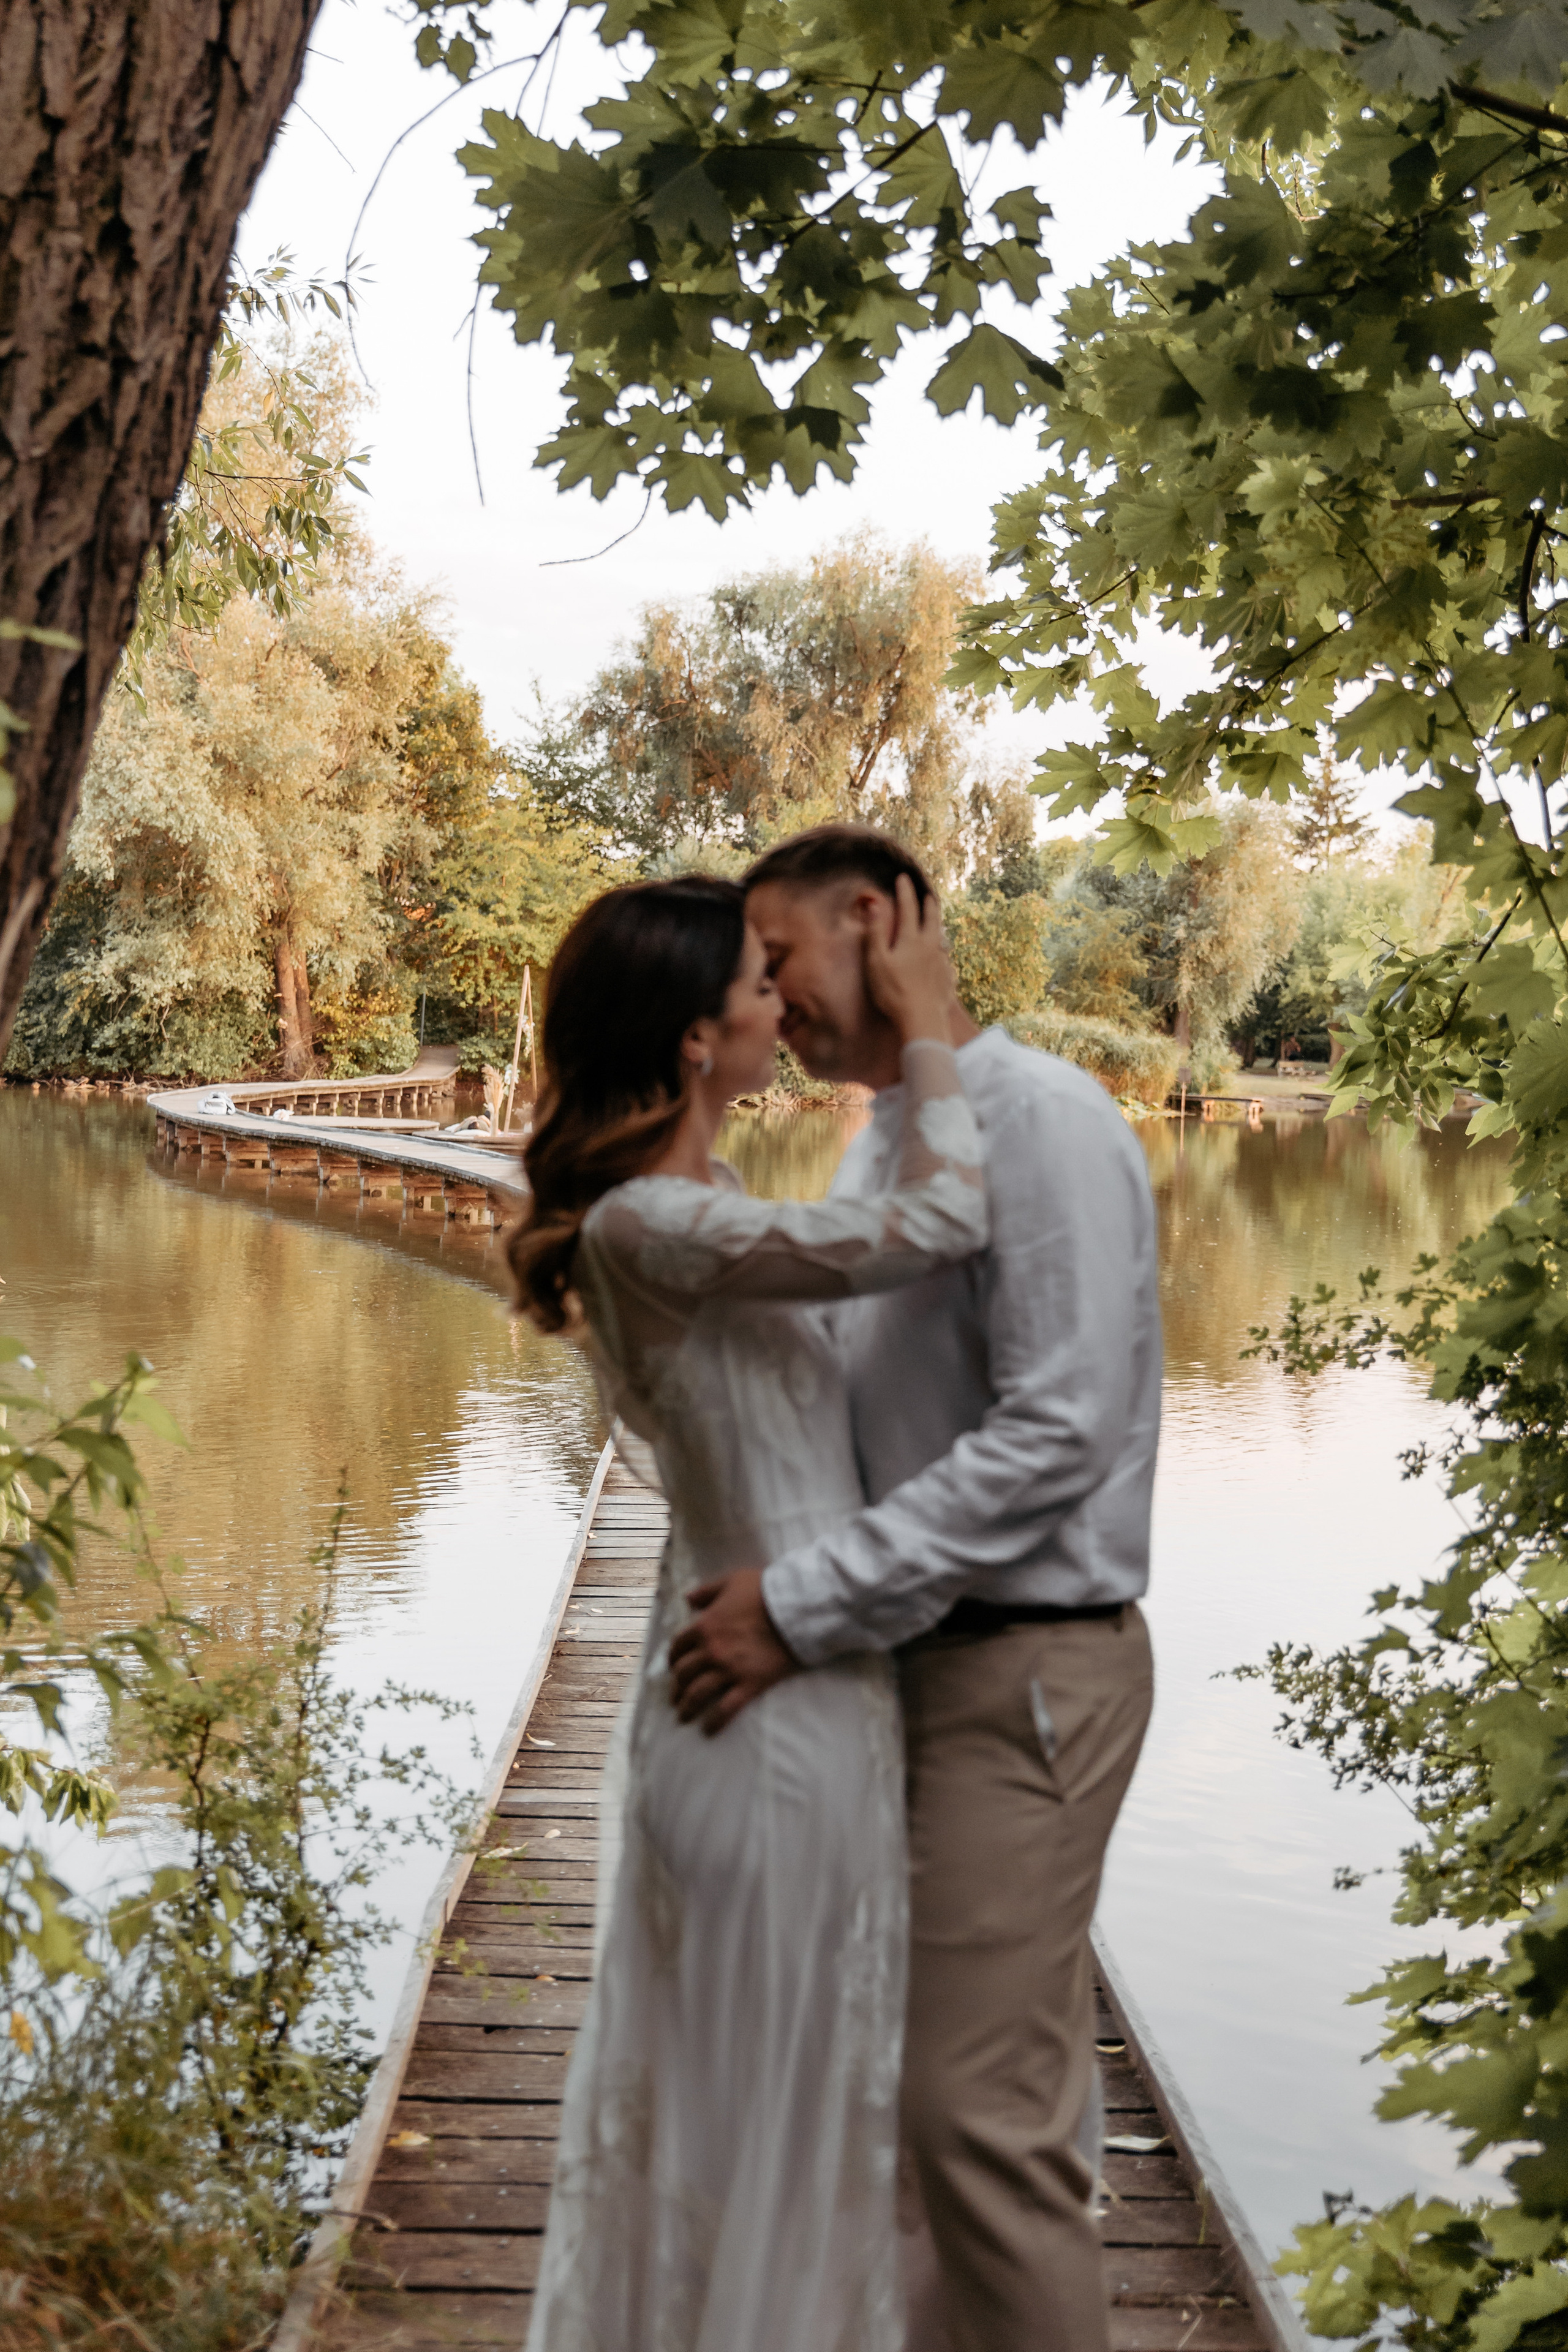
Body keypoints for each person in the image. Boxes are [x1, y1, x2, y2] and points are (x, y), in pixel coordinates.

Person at [668, 824, 1161, 2352]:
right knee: (916, 2108)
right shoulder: (891, 1129)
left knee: (974, 2124)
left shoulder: (1040, 1120)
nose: (767, 991)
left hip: (1019, 1675)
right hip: (909, 1676)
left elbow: (1061, 1422)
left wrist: (803, 1601)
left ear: (876, 922)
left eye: (778, 955)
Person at [510, 872, 989, 2352]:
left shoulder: (700, 1204)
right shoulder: (655, 1224)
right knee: (770, 2093)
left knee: (781, 2090)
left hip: (775, 1666)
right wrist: (928, 1041)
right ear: (685, 1040)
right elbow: (950, 1217)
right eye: (752, 986)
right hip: (766, 1707)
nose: (777, 1004)